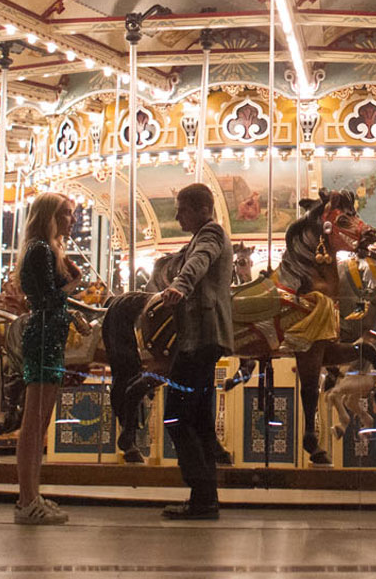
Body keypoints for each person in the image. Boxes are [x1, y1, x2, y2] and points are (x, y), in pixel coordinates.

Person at [155, 182, 233, 520]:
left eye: (182, 209)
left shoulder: (211, 233)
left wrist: (179, 286)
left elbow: (199, 262)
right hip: (198, 338)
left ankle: (202, 492)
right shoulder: (198, 237)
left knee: (176, 414)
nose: (176, 216)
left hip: (200, 338)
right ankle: (205, 499)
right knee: (198, 419)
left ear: (202, 209)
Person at [13, 191, 79, 526]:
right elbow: (46, 298)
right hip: (42, 337)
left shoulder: (48, 250)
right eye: (66, 214)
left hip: (51, 337)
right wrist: (72, 284)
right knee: (33, 424)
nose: (72, 219)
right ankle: (26, 499)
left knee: (40, 424)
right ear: (50, 217)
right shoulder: (39, 250)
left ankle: (33, 495)